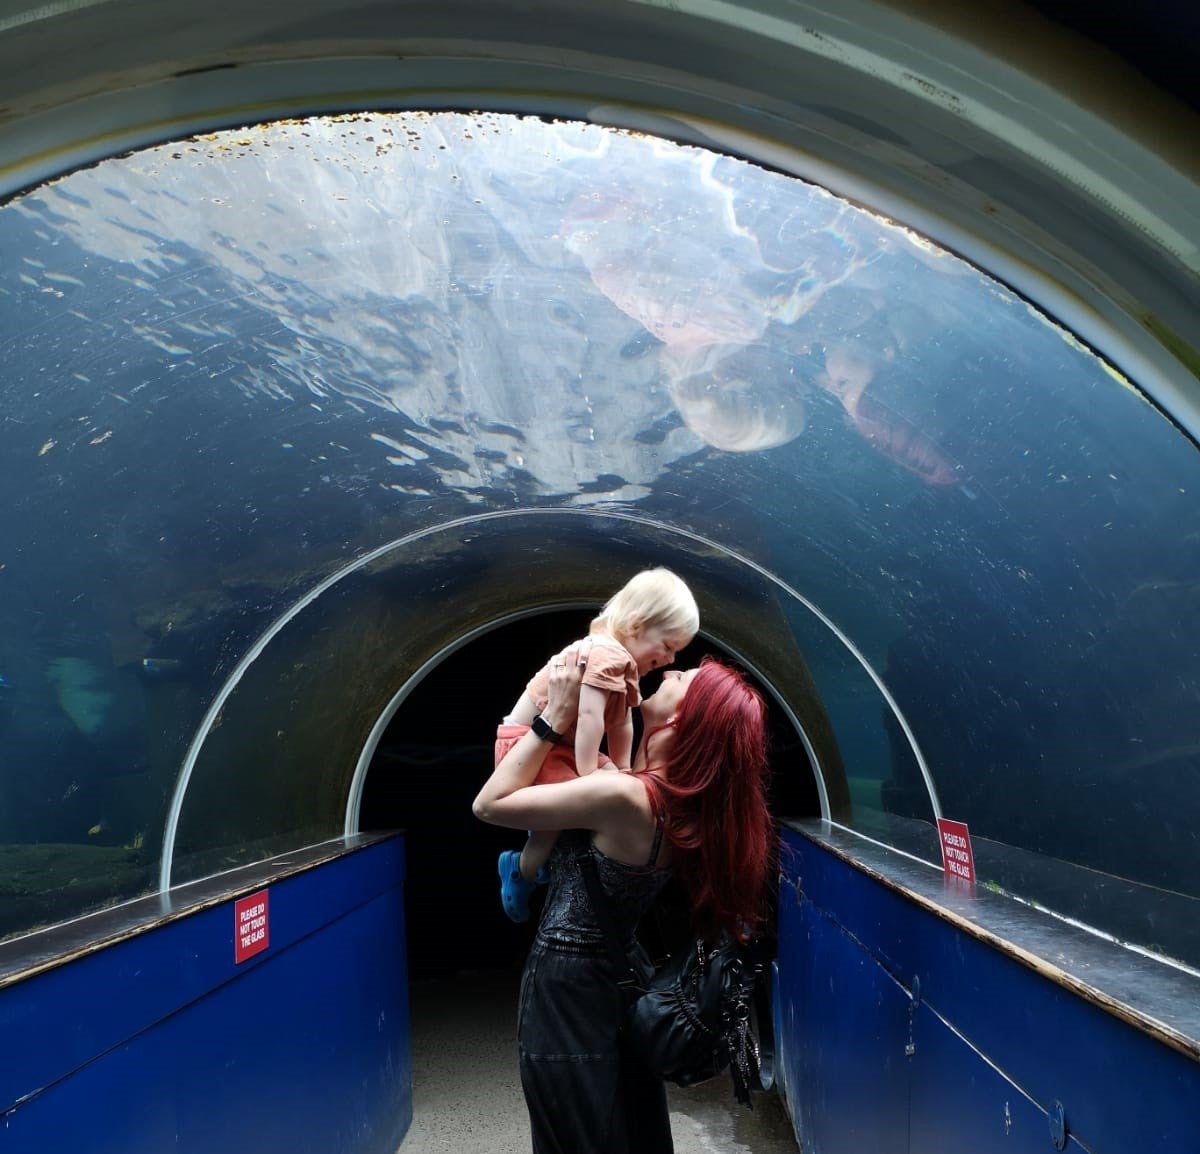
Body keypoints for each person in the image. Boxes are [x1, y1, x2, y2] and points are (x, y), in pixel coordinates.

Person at [473, 650, 774, 1154]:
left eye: (684, 679)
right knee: (632, 1127)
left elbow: (489, 804)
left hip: (566, 984)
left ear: (683, 719)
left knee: (572, 1135)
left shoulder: (624, 797)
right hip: (623, 970)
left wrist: (554, 719)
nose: (671, 672)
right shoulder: (684, 806)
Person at [494, 568, 699, 922]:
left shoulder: (625, 666)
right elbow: (591, 718)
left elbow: (620, 723)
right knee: (551, 828)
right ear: (637, 623)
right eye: (667, 646)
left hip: (561, 744)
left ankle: (538, 848)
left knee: (593, 788)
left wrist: (621, 769)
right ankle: (520, 870)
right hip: (527, 741)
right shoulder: (604, 653)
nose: (669, 661)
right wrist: (589, 774)